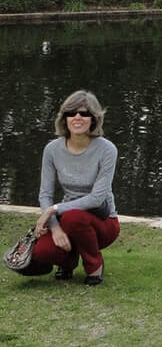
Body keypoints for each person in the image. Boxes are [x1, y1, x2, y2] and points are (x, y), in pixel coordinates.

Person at [21, 90, 119, 285]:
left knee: (75, 217)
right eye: (71, 113)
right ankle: (69, 262)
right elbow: (45, 194)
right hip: (67, 219)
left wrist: (53, 210)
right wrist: (55, 226)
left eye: (84, 113)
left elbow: (97, 198)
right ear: (64, 118)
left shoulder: (107, 149)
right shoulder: (52, 149)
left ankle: (94, 266)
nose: (77, 118)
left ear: (93, 119)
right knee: (43, 252)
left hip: (102, 221)